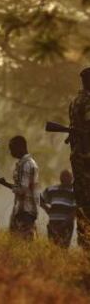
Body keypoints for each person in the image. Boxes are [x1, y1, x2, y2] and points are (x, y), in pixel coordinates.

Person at [0, 136, 39, 240]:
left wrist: (5, 184)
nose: (10, 151)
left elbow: (22, 190)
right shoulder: (26, 163)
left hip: (25, 211)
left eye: (12, 148)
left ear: (20, 147)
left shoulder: (27, 164)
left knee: (22, 243)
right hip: (22, 209)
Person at [69, 67, 90, 249]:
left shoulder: (75, 101)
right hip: (86, 158)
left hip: (78, 158)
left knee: (82, 202)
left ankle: (84, 243)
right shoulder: (87, 102)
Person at [40, 170, 76, 248]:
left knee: (63, 249)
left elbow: (75, 211)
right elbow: (39, 199)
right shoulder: (52, 189)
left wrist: (62, 225)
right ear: (60, 178)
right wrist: (47, 210)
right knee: (52, 248)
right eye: (64, 177)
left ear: (72, 179)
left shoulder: (74, 192)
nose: (66, 179)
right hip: (52, 224)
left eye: (68, 177)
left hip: (66, 226)